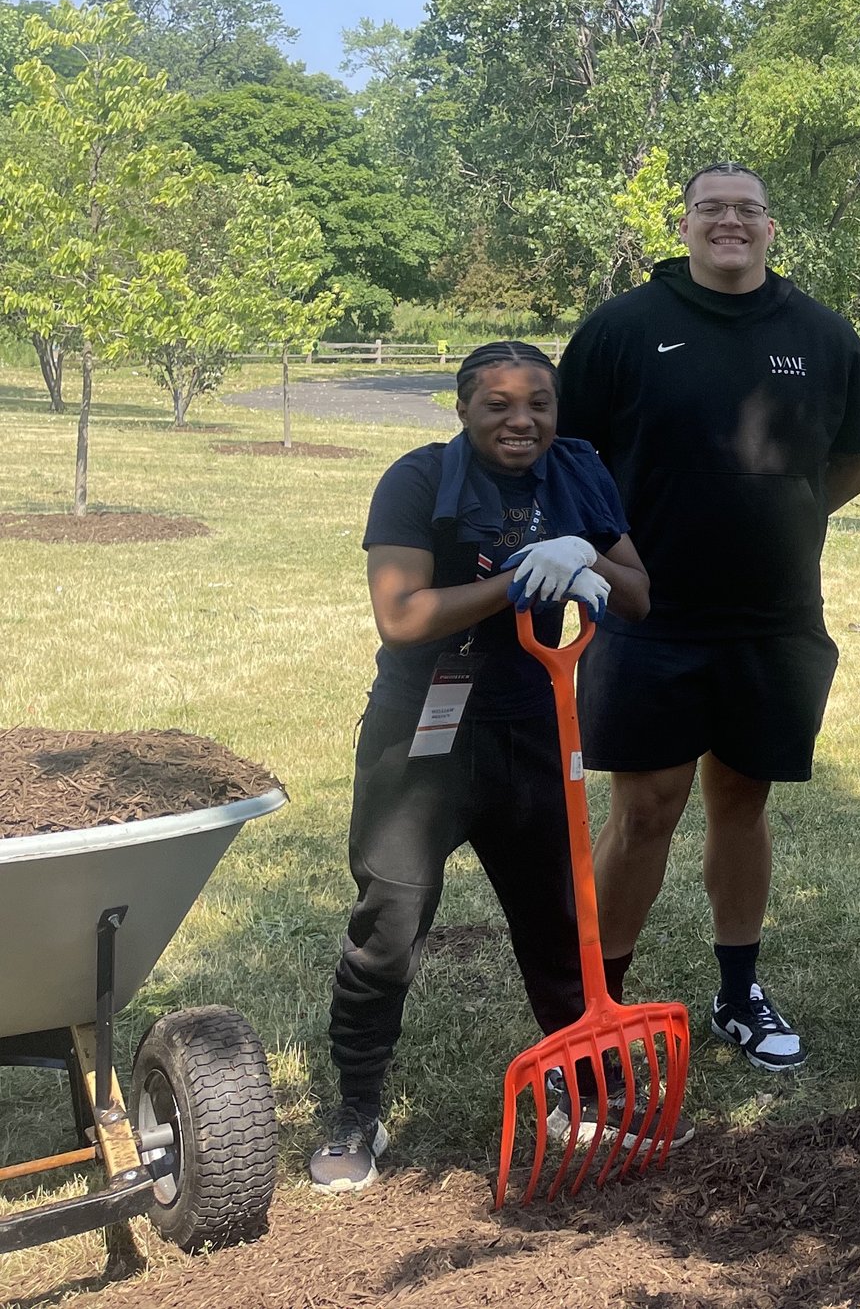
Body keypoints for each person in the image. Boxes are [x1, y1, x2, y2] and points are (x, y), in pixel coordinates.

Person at [556, 162, 860, 1072]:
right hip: (650, 614)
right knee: (646, 809)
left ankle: (738, 993)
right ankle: (599, 1006)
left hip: (773, 619)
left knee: (742, 801)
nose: (730, 222)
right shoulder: (625, 327)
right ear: (688, 222)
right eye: (713, 208)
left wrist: (782, 515)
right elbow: (568, 451)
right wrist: (604, 546)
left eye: (748, 208)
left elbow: (854, 460)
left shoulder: (820, 333)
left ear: (772, 226)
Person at [313, 341, 649, 1192]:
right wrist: (515, 583)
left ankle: (583, 1093)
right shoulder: (418, 479)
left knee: (560, 924)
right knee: (389, 923)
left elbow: (638, 592)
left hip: (535, 727)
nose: (521, 419)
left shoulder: (577, 472)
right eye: (498, 403)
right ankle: (356, 1106)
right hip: (423, 738)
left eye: (538, 402)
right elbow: (403, 613)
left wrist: (584, 554)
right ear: (462, 408)